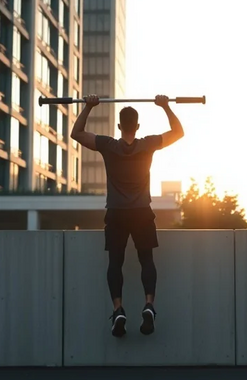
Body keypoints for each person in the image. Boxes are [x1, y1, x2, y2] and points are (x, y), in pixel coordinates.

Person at [70, 94, 184, 337]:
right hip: (142, 212)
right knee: (146, 260)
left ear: (120, 126)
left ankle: (118, 308)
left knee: (115, 263)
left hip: (117, 213)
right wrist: (165, 106)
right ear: (138, 126)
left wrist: (88, 107)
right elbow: (178, 131)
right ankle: (149, 304)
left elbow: (76, 133)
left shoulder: (109, 144)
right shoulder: (148, 143)